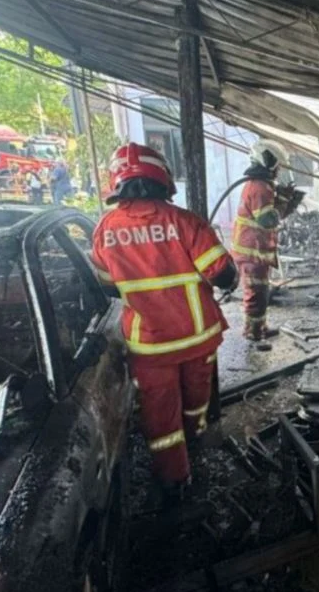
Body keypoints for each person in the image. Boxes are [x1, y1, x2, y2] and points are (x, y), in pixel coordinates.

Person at [90, 143, 237, 492]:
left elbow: (106, 287)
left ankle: (175, 480)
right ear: (162, 177)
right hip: (197, 336)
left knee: (160, 413)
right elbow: (222, 274)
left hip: (150, 344)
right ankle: (196, 440)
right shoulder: (185, 222)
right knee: (196, 398)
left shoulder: (105, 229)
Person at [231, 140, 295, 351]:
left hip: (255, 251)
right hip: (252, 252)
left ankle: (260, 327)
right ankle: (253, 333)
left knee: (261, 291)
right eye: (277, 165)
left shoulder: (260, 185)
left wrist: (282, 201)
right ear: (268, 160)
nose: (278, 170)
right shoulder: (259, 187)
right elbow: (267, 220)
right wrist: (283, 201)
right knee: (255, 293)